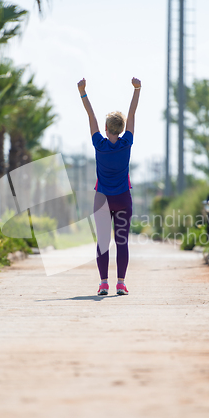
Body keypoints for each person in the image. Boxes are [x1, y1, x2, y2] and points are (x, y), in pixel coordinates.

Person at [77, 77, 141, 296]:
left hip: (102, 199)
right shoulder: (127, 143)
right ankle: (120, 284)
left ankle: (103, 283)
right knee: (121, 242)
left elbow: (91, 116)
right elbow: (132, 114)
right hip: (123, 199)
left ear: (105, 129)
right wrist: (137, 89)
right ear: (122, 129)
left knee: (103, 243)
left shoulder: (99, 144)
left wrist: (83, 92)